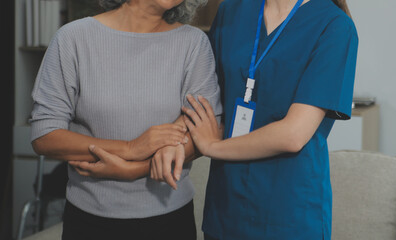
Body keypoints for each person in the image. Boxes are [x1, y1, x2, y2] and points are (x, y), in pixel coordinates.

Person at [29, 0, 222, 239]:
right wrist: (130, 148)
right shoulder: (72, 38)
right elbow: (44, 136)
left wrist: (135, 169)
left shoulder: (194, 43)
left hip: (170, 221)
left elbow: (202, 132)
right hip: (89, 222)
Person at [174, 0, 358, 239]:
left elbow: (293, 135)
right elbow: (205, 99)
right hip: (225, 211)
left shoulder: (334, 26)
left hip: (288, 214)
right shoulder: (232, 10)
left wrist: (213, 146)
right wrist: (171, 140)